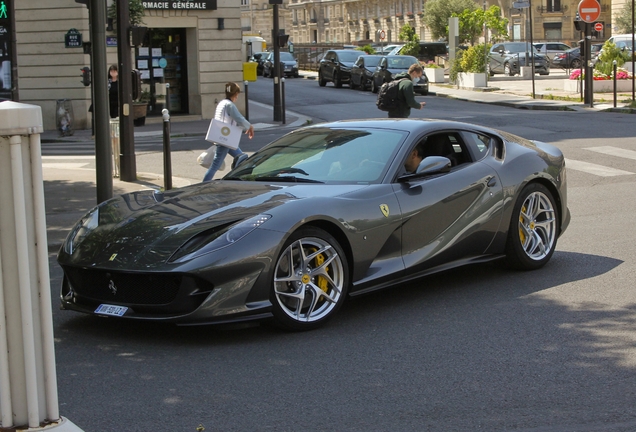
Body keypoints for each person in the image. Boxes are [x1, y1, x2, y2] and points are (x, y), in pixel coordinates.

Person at [202, 82, 254, 182]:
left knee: (242, 159)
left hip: (223, 137)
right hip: (226, 138)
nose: (237, 97)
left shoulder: (221, 103)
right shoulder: (230, 105)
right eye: (237, 95)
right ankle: (202, 186)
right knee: (215, 165)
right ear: (235, 94)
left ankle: (242, 179)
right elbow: (239, 118)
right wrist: (250, 126)